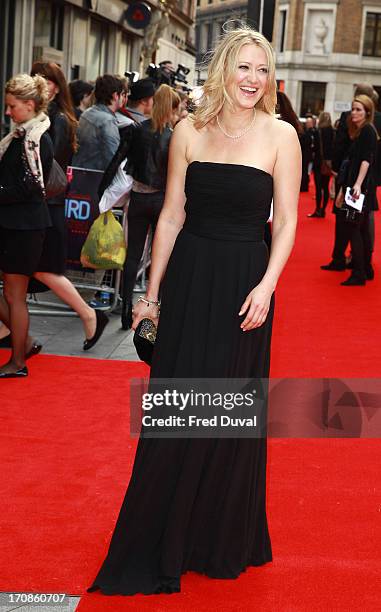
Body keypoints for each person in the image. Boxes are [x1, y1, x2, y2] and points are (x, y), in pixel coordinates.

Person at [88, 26, 301, 596]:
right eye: (245, 67)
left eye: (263, 69)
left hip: (244, 285)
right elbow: (172, 218)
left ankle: (216, 536)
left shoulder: (282, 136)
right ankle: (163, 536)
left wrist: (268, 285)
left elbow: (286, 223)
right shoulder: (188, 129)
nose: (254, 79)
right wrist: (150, 296)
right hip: (188, 282)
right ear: (224, 69)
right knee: (180, 409)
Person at [30, 61, 108, 350]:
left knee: (41, 270)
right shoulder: (43, 116)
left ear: (57, 85)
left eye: (47, 80)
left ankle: (89, 315)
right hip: (41, 205)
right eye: (36, 78)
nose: (42, 84)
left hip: (47, 205)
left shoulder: (58, 119)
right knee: (21, 271)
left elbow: (49, 167)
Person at [99, 84, 181, 329]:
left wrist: (100, 191)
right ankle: (159, 304)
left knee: (133, 254)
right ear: (172, 109)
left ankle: (125, 308)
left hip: (139, 198)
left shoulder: (137, 130)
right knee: (161, 254)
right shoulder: (173, 136)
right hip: (162, 201)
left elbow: (117, 161)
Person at [0, 74, 53, 377]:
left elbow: (31, 186)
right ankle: (25, 343)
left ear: (29, 105)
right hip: (13, 225)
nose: (8, 112)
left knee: (14, 296)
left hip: (26, 227)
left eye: (12, 106)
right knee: (11, 295)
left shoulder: (37, 139)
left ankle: (18, 360)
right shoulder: (21, 136)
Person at [334, 95, 378, 285]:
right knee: (357, 229)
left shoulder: (368, 130)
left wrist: (357, 185)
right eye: (353, 109)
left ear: (368, 112)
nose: (354, 113)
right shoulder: (359, 131)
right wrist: (344, 190)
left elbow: (366, 160)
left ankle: (359, 273)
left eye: (358, 109)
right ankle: (364, 270)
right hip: (353, 188)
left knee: (353, 228)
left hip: (359, 190)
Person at [72, 74, 127, 171]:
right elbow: (113, 157)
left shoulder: (87, 113)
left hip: (79, 171)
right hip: (95, 177)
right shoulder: (107, 121)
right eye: (122, 94)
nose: (123, 98)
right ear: (115, 96)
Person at [308, 111, 335, 218]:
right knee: (326, 187)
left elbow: (314, 148)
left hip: (319, 162)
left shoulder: (318, 132)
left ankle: (318, 209)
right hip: (328, 163)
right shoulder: (334, 132)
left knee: (319, 188)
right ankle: (323, 210)